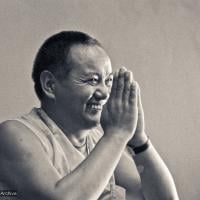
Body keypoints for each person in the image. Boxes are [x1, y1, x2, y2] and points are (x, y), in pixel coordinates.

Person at [0, 31, 179, 200]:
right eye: (92, 80)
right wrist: (117, 135)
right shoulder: (14, 134)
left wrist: (138, 140)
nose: (104, 92)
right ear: (50, 85)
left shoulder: (98, 138)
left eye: (108, 81)